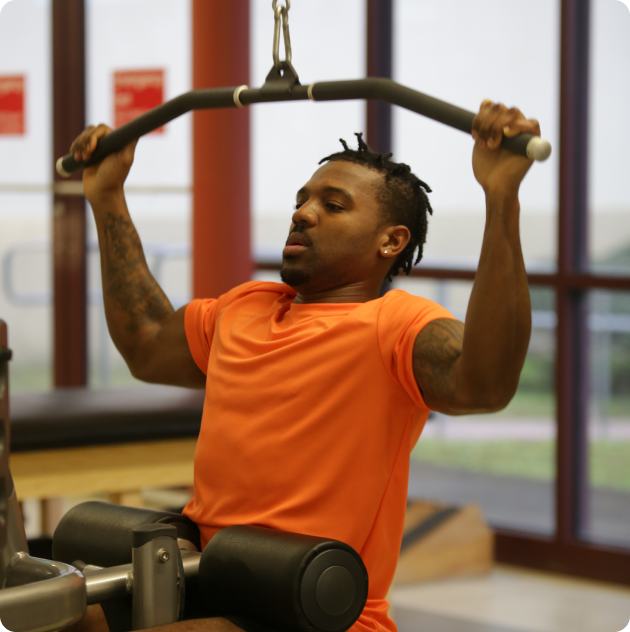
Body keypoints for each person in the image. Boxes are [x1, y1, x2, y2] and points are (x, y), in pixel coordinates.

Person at [67, 100, 539, 632]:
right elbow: (147, 343)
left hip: (311, 606)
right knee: (54, 615)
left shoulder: (394, 324)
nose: (303, 212)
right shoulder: (244, 307)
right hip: (205, 576)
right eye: (303, 199)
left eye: (334, 205)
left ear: (392, 240)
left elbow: (485, 383)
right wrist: (106, 196)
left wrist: (502, 197)